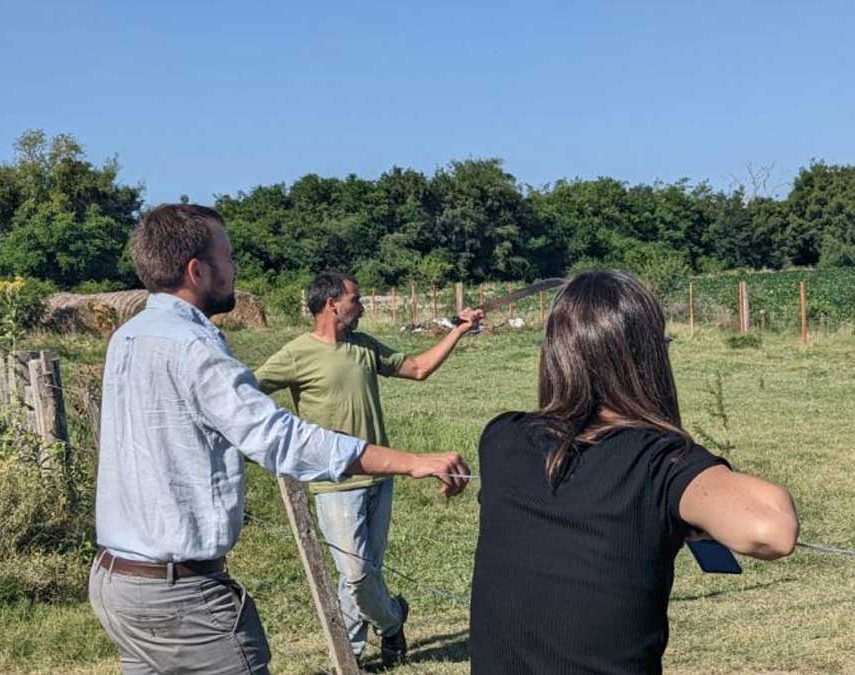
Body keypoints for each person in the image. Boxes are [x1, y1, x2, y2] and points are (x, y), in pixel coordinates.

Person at [88, 204, 470, 675]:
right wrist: (413, 460)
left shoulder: (129, 336)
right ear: (197, 269)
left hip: (117, 583)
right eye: (228, 258)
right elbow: (278, 437)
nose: (234, 269)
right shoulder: (193, 347)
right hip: (181, 597)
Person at [469, 270, 799, 674]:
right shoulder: (660, 463)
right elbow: (771, 529)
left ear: (555, 354)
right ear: (650, 360)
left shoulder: (501, 440)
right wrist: (688, 502)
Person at [255, 270, 484, 667]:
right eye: (355, 300)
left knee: (360, 576)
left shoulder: (363, 346)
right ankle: (393, 621)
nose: (360, 306)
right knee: (359, 574)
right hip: (334, 482)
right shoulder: (296, 354)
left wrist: (459, 331)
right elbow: (246, 393)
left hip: (381, 478)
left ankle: (350, 657)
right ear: (332, 304)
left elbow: (418, 368)